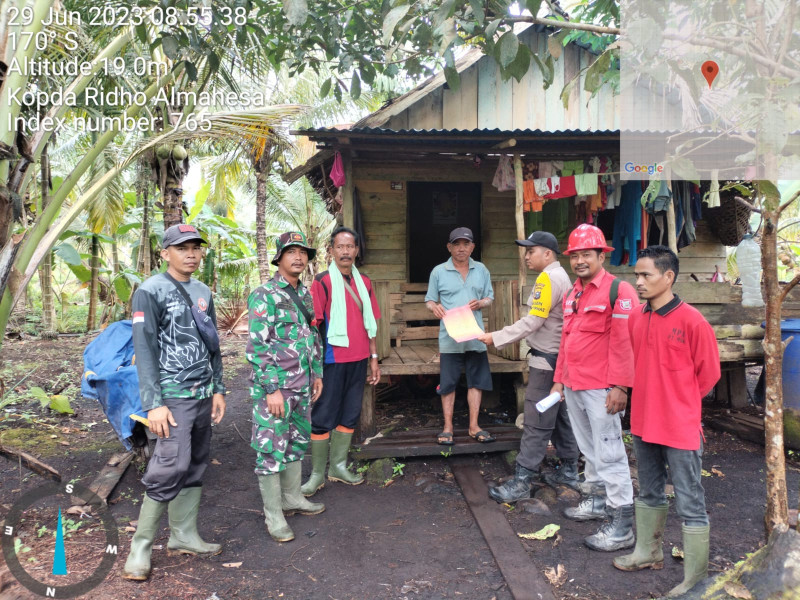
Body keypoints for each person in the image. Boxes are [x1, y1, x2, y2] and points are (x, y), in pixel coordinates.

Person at [613, 246, 719, 597]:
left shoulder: (693, 320)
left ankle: (695, 578)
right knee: (649, 490)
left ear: (668, 277)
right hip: (643, 422)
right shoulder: (636, 318)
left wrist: (679, 403)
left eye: (646, 275)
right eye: (636, 275)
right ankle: (648, 551)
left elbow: (709, 375)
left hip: (680, 426)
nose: (638, 282)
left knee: (690, 499)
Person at [123, 224, 226, 581]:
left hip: (201, 394)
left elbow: (212, 343)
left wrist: (218, 388)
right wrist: (154, 404)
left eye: (196, 247)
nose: (192, 253)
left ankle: (184, 536)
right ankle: (141, 547)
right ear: (165, 253)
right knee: (170, 464)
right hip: (171, 397)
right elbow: (144, 349)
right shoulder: (150, 291)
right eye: (182, 248)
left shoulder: (202, 291)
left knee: (195, 462)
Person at [550, 223, 638, 552]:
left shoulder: (619, 291)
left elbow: (624, 344)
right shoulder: (573, 292)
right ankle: (597, 501)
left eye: (587, 254)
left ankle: (621, 526)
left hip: (602, 388)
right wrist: (559, 382)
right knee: (589, 450)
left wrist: (621, 386)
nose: (580, 260)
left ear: (601, 255)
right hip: (574, 384)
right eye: (575, 255)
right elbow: (567, 341)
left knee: (611, 454)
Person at [478, 231, 580, 502]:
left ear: (547, 253)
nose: (526, 256)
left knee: (536, 419)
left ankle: (523, 480)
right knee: (558, 417)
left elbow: (533, 321)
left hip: (546, 361)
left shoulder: (548, 279)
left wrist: (495, 337)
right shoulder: (562, 277)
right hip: (558, 357)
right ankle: (570, 471)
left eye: (530, 251)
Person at [247, 231, 325, 543]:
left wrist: (317, 374)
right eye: (291, 252)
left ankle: (292, 498)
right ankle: (273, 515)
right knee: (270, 448)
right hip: (277, 389)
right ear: (278, 258)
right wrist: (270, 389)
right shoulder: (264, 294)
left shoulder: (305, 294)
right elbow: (257, 347)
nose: (298, 257)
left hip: (302, 385)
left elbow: (311, 336)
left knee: (296, 443)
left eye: (303, 252)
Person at [301, 227, 381, 496]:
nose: (345, 251)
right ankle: (315, 475)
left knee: (349, 413)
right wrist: (315, 369)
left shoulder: (365, 282)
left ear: (357, 250)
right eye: (340, 246)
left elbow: (371, 325)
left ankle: (337, 467)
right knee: (323, 414)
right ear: (332, 250)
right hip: (332, 359)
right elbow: (314, 328)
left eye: (350, 246)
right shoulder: (322, 282)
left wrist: (373, 359)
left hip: (359, 359)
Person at [425, 227, 495, 445]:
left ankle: (474, 426)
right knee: (448, 383)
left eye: (466, 244)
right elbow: (429, 300)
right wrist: (434, 307)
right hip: (450, 337)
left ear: (472, 247)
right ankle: (448, 428)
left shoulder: (482, 270)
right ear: (449, 247)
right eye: (457, 244)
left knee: (477, 381)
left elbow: (490, 297)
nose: (462, 248)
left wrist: (482, 302)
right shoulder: (438, 271)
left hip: (475, 336)